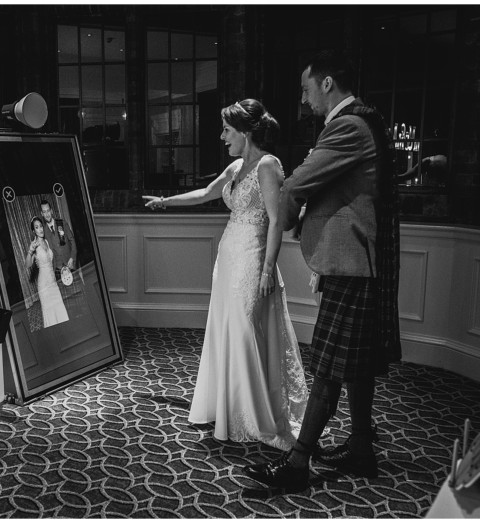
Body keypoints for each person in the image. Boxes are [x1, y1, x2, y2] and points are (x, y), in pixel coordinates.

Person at [243, 50, 401, 491]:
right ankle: (362, 449)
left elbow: (298, 183)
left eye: (306, 88)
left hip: (352, 261)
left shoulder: (348, 126)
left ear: (328, 84)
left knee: (330, 364)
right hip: (358, 260)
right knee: (356, 362)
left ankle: (297, 464)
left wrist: (287, 218)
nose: (303, 98)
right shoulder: (364, 121)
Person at [143, 99, 308, 448]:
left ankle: (261, 418)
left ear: (246, 133)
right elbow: (205, 193)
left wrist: (267, 270)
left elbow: (277, 221)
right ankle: (231, 405)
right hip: (229, 259)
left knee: (246, 331)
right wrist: (166, 201)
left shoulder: (268, 165)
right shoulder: (236, 168)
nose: (222, 137)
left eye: (228, 130)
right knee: (228, 330)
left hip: (252, 260)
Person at [27, 216, 69, 328]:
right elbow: (27, 265)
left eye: (41, 226)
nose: (40, 229)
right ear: (33, 231)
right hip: (44, 285)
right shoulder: (34, 245)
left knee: (59, 309)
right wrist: (30, 251)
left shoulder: (46, 241)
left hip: (53, 283)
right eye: (37, 227)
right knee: (49, 313)